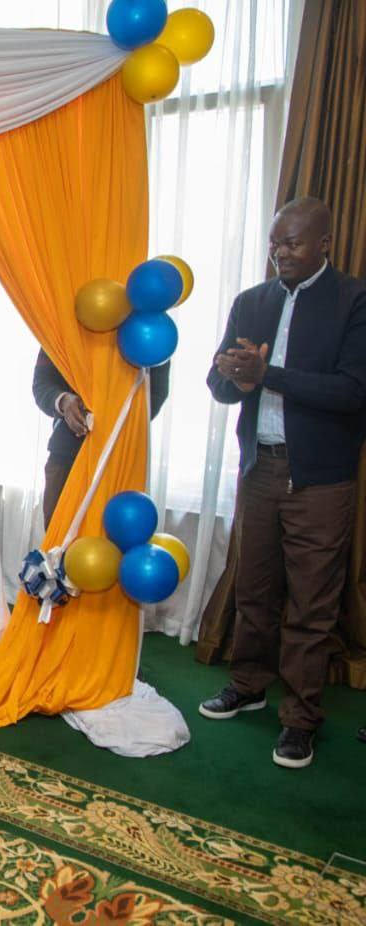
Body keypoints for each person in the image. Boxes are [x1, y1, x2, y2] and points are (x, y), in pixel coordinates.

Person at [198, 197, 366, 770]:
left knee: (311, 604)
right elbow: (219, 384)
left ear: (324, 244)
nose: (281, 253)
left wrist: (267, 374)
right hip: (260, 468)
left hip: (320, 478)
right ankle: (247, 685)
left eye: (292, 243)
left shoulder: (354, 301)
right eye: (275, 243)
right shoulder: (252, 302)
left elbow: (352, 391)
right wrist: (233, 378)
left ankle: (300, 718)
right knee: (254, 588)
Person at [32, 350, 170, 526]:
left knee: (115, 536)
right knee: (58, 536)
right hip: (66, 456)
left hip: (120, 457)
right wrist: (63, 401)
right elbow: (42, 383)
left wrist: (115, 417)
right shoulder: (63, 332)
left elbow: (155, 393)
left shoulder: (146, 334)